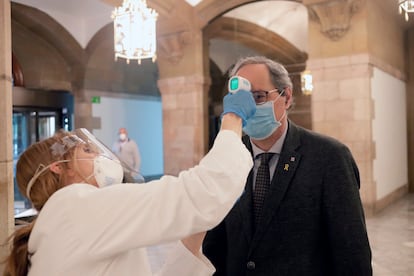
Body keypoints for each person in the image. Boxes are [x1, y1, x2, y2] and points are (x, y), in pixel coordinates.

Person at [2, 90, 256, 276]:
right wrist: (233, 120)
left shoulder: (62, 221)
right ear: (59, 167)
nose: (100, 158)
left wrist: (190, 241)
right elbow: (205, 192)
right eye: (88, 152)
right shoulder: (74, 206)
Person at [202, 56, 373, 275]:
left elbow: (351, 250)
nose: (248, 107)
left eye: (258, 96)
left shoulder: (330, 157)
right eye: (240, 99)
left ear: (287, 97)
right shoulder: (228, 157)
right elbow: (215, 245)